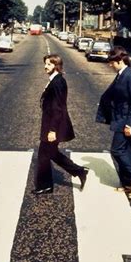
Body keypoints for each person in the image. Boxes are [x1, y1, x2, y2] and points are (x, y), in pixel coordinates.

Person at [33, 54, 89, 195]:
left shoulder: (58, 82)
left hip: (53, 125)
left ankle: (46, 185)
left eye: (49, 64)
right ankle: (78, 171)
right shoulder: (55, 80)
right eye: (45, 64)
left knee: (44, 155)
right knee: (50, 154)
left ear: (57, 66)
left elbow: (58, 108)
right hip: (50, 123)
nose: (46, 67)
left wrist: (52, 130)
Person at [96, 46, 131, 200]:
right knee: (126, 151)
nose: (110, 65)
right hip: (119, 118)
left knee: (116, 150)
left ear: (120, 60)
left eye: (112, 62)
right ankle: (128, 184)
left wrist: (129, 124)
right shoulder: (120, 75)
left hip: (125, 120)